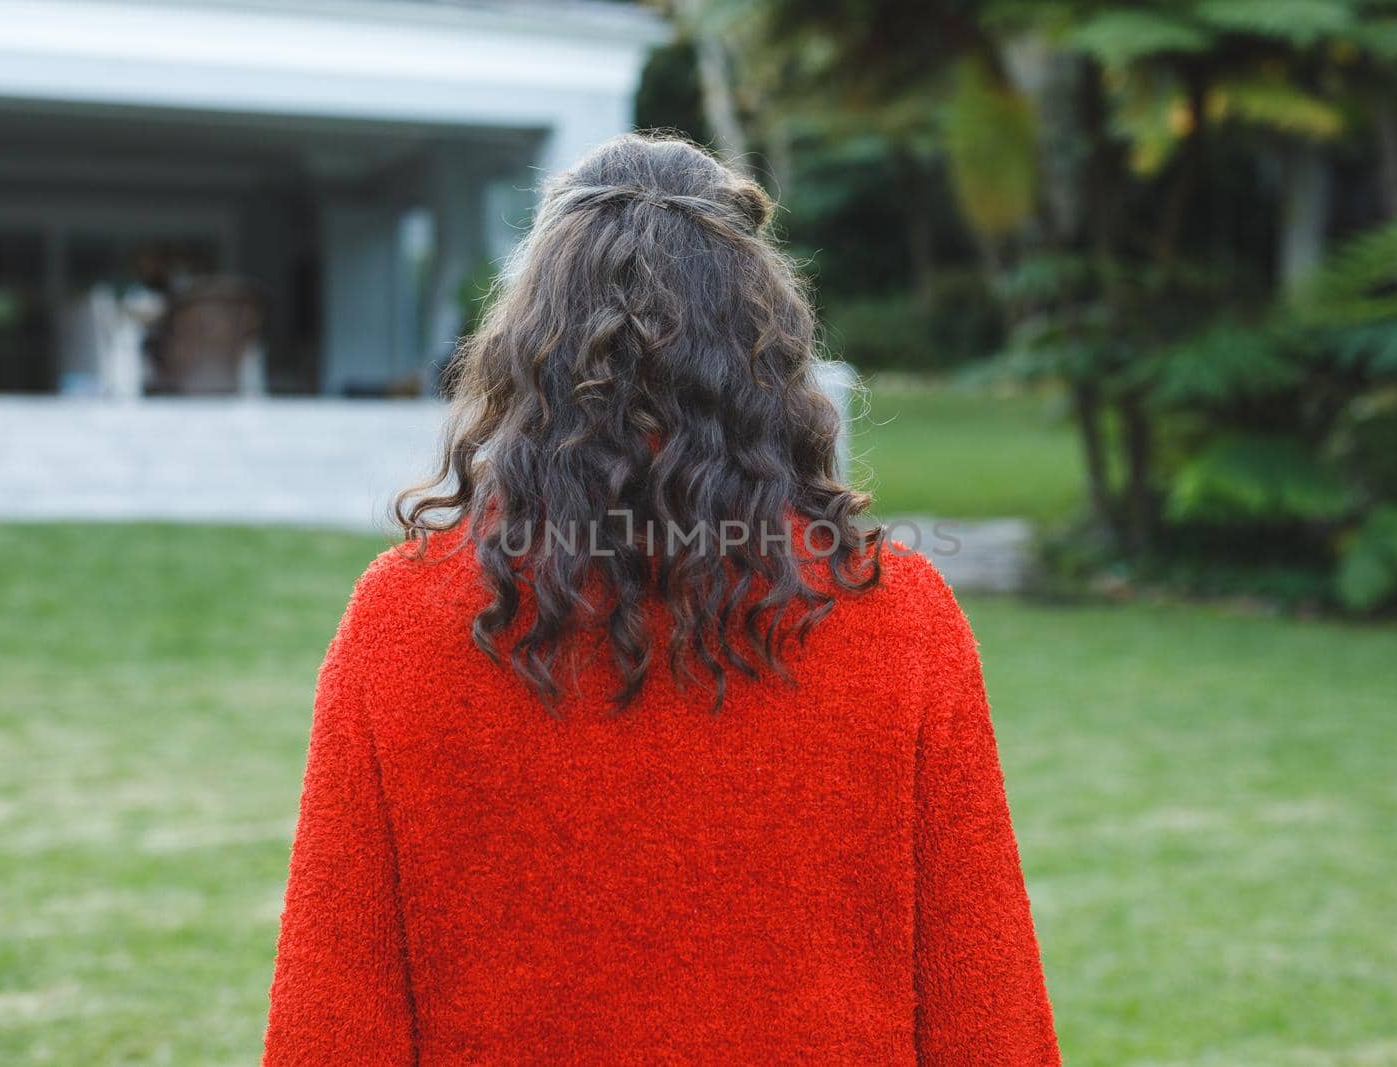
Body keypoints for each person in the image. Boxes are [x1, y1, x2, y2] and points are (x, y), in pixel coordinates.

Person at [262, 133, 1060, 1065]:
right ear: (766, 350)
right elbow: (985, 998)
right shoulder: (897, 611)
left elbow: (334, 1002)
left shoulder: (403, 616)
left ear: (523, 355)